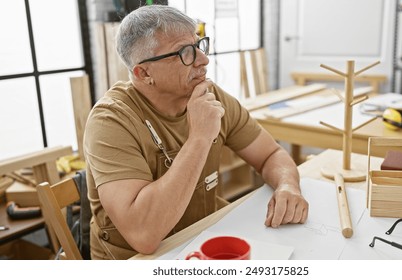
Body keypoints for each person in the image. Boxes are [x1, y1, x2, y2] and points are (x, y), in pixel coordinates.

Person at [84, 4, 309, 260]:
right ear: (144, 72)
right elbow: (143, 235)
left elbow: (270, 154)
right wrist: (200, 137)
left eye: (199, 45)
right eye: (184, 53)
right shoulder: (111, 121)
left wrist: (288, 186)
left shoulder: (211, 97)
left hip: (201, 237)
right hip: (138, 259)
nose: (203, 60)